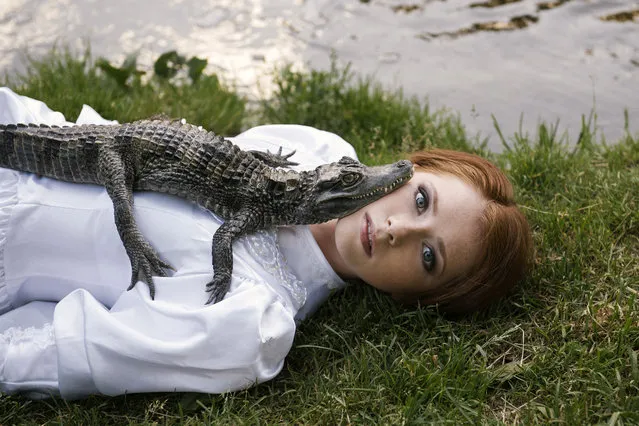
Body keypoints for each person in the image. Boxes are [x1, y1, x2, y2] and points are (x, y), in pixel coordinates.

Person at [0, 88, 532, 399]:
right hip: (33, 128)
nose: (398, 230)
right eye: (420, 201)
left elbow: (55, 349)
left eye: (428, 256)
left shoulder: (249, 321)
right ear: (406, 174)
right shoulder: (318, 150)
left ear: (415, 297)